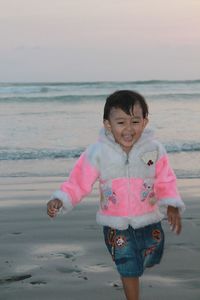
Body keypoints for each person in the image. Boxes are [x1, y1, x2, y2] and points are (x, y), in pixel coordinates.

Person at [47, 90, 185, 300]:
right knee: (127, 266)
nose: (129, 129)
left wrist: (172, 205)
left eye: (135, 121)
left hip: (149, 219)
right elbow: (78, 181)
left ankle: (145, 257)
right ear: (108, 125)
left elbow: (166, 179)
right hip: (116, 223)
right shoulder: (98, 152)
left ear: (145, 122)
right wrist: (61, 198)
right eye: (121, 122)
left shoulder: (154, 150)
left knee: (151, 257)